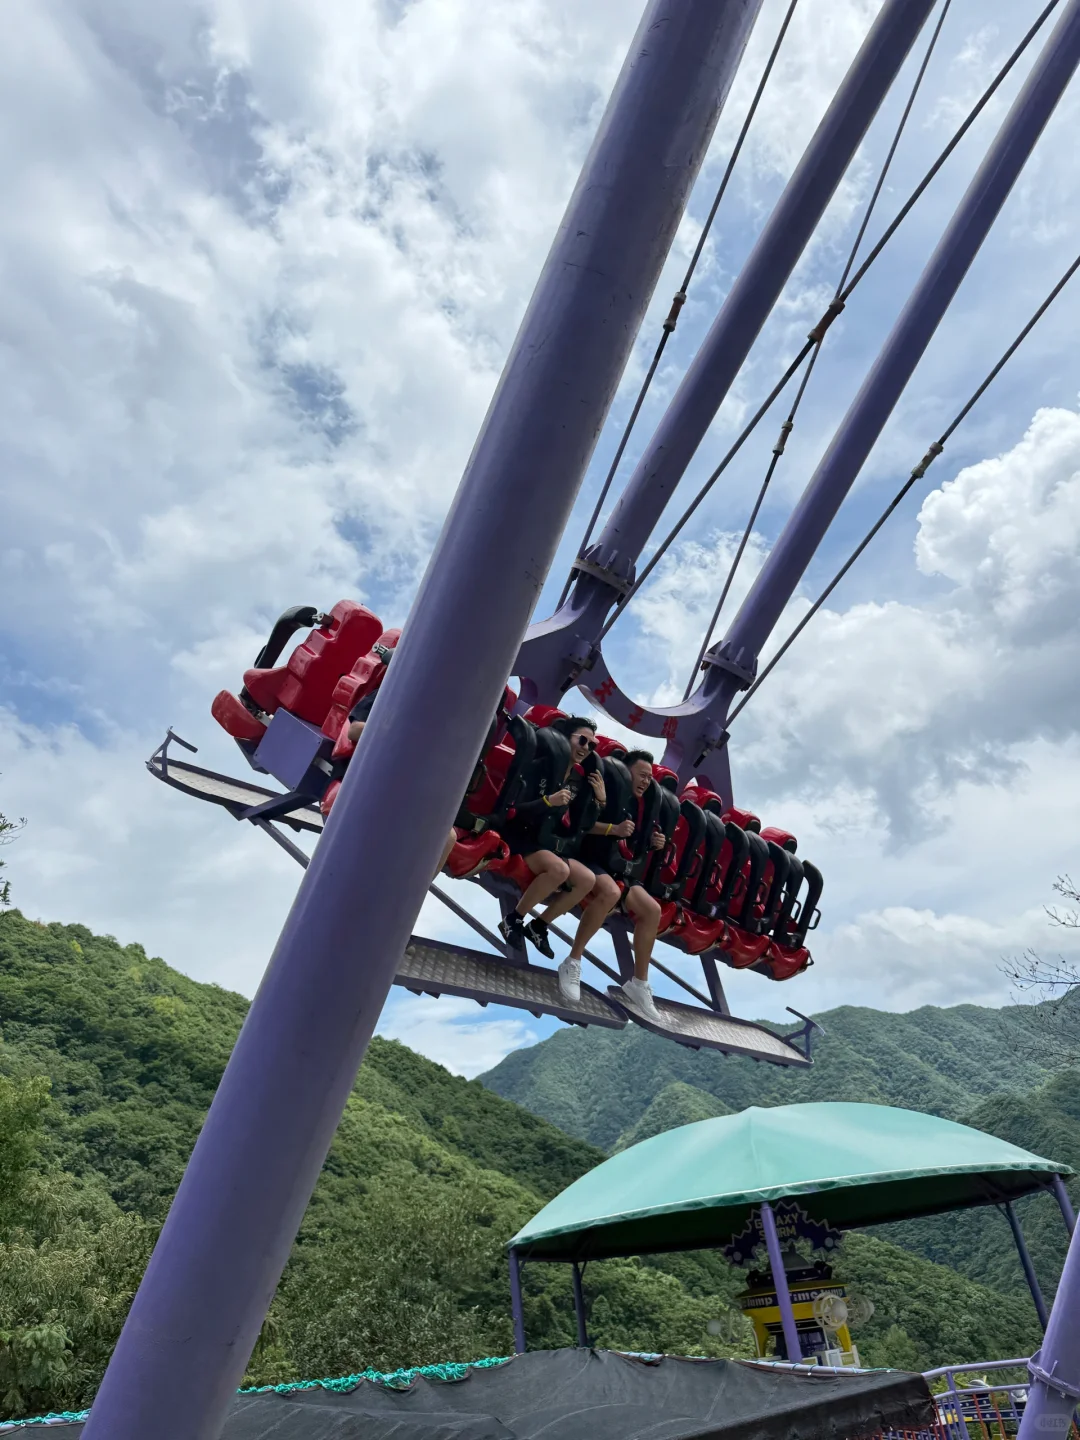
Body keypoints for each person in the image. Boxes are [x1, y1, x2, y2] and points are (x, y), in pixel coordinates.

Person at [557, 749, 666, 1022]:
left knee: (652, 910)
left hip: (617, 868)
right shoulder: (602, 785)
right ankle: (573, 961)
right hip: (587, 858)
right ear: (625, 771)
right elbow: (579, 822)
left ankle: (638, 984)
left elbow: (633, 845)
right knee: (610, 891)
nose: (645, 782)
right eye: (641, 775)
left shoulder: (641, 805)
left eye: (649, 778)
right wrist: (612, 829)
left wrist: (654, 844)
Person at [497, 717, 608, 959]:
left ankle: (538, 926)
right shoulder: (540, 765)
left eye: (592, 745)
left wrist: (599, 801)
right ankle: (513, 919)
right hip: (521, 835)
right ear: (564, 738)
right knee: (559, 870)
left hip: (546, 841)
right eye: (581, 740)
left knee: (587, 879)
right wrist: (548, 801)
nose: (586, 748)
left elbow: (583, 826)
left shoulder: (577, 781)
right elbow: (514, 809)